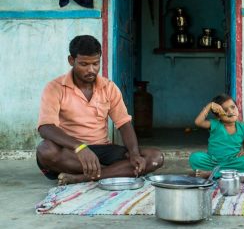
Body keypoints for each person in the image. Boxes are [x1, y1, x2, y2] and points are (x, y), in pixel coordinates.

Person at [36, 35, 164, 185]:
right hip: (71, 152)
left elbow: (124, 124)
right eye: (84, 64)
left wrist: (134, 154)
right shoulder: (55, 87)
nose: (91, 70)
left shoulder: (109, 87)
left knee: (155, 157)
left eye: (95, 64)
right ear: (71, 60)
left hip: (103, 149)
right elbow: (45, 128)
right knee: (45, 150)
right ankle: (114, 172)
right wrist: (80, 147)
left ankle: (87, 176)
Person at [189, 93, 244, 178]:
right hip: (212, 161)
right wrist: (209, 106)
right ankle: (222, 173)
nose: (230, 111)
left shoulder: (243, 128)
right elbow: (198, 122)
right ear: (218, 116)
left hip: (231, 161)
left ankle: (211, 173)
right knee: (195, 158)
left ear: (238, 108)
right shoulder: (215, 124)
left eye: (233, 107)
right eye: (225, 110)